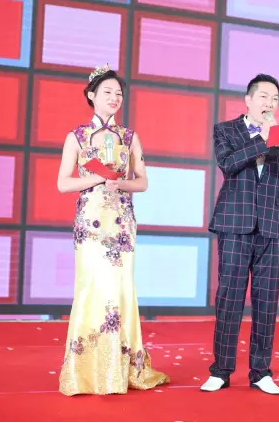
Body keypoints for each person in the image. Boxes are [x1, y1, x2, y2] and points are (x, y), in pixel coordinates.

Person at [56, 64, 169, 396]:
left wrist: (120, 183)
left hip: (120, 223)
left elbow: (143, 182)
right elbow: (63, 183)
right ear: (91, 95)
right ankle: (86, 371)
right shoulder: (76, 137)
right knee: (91, 287)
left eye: (119, 93)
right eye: (107, 92)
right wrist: (96, 177)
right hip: (90, 224)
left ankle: (121, 368)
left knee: (120, 289)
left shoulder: (130, 137)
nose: (114, 97)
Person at [201, 74, 279, 395]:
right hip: (235, 224)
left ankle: (261, 372)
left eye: (275, 98)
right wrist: (263, 139)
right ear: (248, 100)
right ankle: (221, 370)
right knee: (230, 298)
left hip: (272, 227)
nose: (270, 103)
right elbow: (228, 163)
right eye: (264, 96)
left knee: (266, 302)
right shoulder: (226, 130)